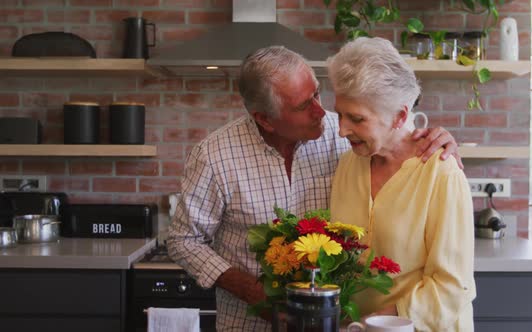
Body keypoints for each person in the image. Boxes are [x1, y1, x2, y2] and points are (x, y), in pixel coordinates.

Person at [167, 45, 461, 331]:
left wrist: (439, 140)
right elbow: (183, 240)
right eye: (304, 106)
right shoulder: (215, 156)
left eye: (317, 95)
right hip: (248, 322)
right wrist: (255, 292)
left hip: (331, 322)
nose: (321, 112)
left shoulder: (343, 136)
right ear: (265, 120)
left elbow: (389, 125)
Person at [327, 37, 476, 332]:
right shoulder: (348, 164)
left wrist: (379, 323)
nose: (342, 129)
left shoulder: (440, 173)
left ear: (400, 116)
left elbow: (453, 284)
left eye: (356, 118)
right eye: (340, 114)